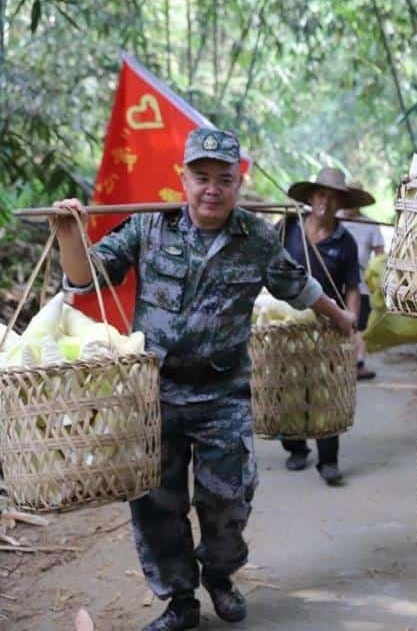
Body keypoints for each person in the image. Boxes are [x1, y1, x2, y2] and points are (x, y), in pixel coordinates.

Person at [52, 129, 356, 631]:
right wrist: (69, 233)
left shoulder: (256, 237)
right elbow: (87, 278)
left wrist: (338, 316)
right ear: (182, 179)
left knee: (228, 498)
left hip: (222, 393)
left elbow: (297, 287)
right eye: (201, 177)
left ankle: (219, 574)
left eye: (224, 179)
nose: (211, 189)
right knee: (155, 502)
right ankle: (180, 600)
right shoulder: (150, 226)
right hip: (154, 392)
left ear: (238, 184)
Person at [279, 166, 372, 485]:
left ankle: (328, 461)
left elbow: (351, 286)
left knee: (326, 392)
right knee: (287, 388)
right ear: (310, 197)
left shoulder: (344, 241)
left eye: (334, 198)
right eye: (321, 195)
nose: (326, 202)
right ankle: (295, 447)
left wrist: (353, 325)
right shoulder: (288, 227)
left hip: (328, 324)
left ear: (341, 203)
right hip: (285, 323)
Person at [340, 205, 385, 380]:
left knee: (359, 326)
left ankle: (358, 363)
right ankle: (338, 362)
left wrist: (376, 276)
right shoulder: (334, 219)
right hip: (336, 282)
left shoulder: (370, 225)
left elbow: (380, 256)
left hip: (362, 285)